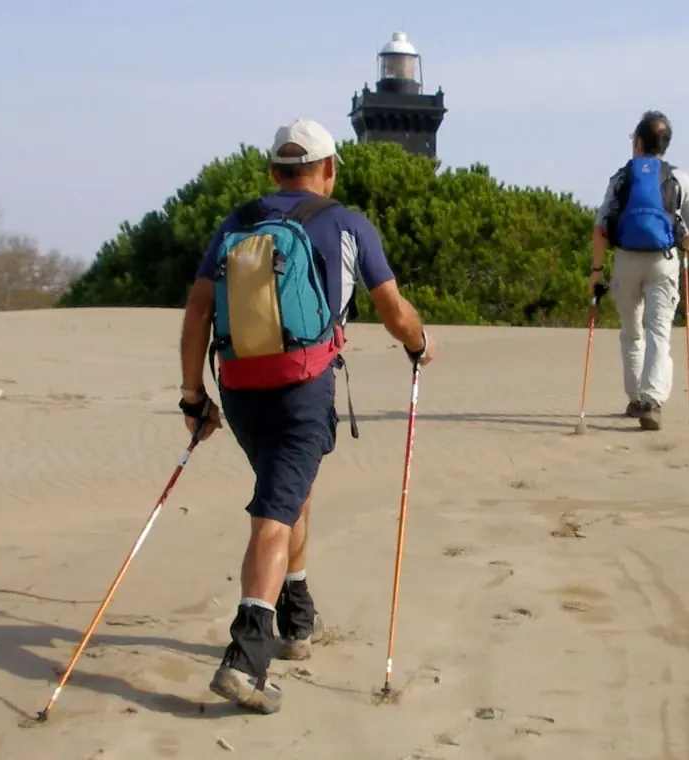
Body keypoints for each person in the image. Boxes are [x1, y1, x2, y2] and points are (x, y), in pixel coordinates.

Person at [175, 118, 435, 714]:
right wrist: (420, 345)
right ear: (330, 168)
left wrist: (194, 396)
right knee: (274, 513)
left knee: (288, 491)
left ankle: (296, 613)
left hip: (238, 385)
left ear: (272, 171)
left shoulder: (236, 222)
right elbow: (392, 308)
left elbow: (196, 312)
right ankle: (245, 658)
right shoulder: (346, 223)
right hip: (301, 384)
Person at [587, 110, 689, 431]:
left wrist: (596, 271)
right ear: (664, 145)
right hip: (663, 260)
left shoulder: (621, 178)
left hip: (625, 260)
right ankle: (653, 402)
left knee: (632, 332)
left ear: (638, 142)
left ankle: (636, 398)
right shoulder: (680, 179)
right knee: (659, 333)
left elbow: (599, 230)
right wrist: (684, 247)